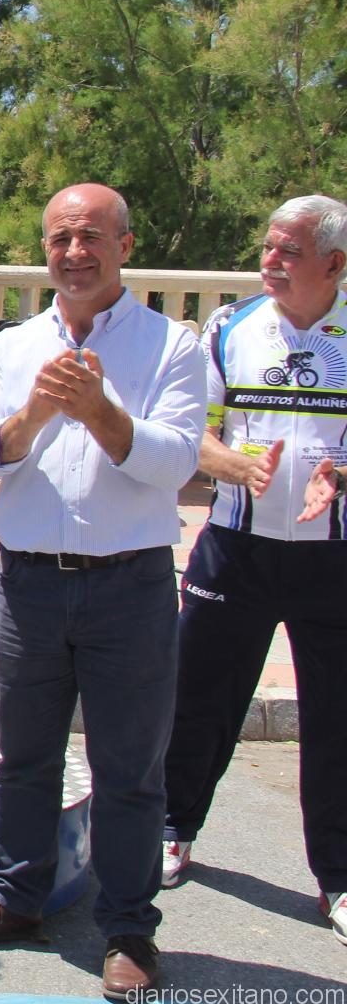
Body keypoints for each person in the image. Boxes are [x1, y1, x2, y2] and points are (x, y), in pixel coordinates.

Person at [0, 183, 204, 1002]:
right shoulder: (15, 345)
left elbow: (177, 460)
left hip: (130, 586)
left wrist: (100, 414)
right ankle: (15, 896)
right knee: (23, 757)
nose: (75, 252)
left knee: (129, 769)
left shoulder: (172, 344)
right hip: (26, 584)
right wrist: (31, 418)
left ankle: (127, 928)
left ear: (126, 246)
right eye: (60, 238)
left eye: (91, 236)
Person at [159, 194, 347, 943]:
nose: (270, 261)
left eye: (289, 251)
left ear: (334, 263)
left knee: (336, 718)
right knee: (197, 697)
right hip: (236, 549)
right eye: (268, 247)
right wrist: (233, 465)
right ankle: (173, 828)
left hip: (334, 556)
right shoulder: (229, 328)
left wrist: (341, 476)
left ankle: (338, 876)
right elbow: (192, 431)